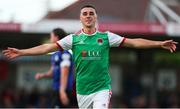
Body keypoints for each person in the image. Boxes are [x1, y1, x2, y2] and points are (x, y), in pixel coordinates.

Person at [2, 5, 177, 109]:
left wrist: (158, 44)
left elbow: (134, 42)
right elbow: (47, 47)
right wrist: (22, 52)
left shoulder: (107, 37)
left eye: (91, 13)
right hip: (82, 91)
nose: (88, 16)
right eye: (85, 14)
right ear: (80, 18)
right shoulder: (74, 39)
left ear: (95, 18)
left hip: (102, 88)